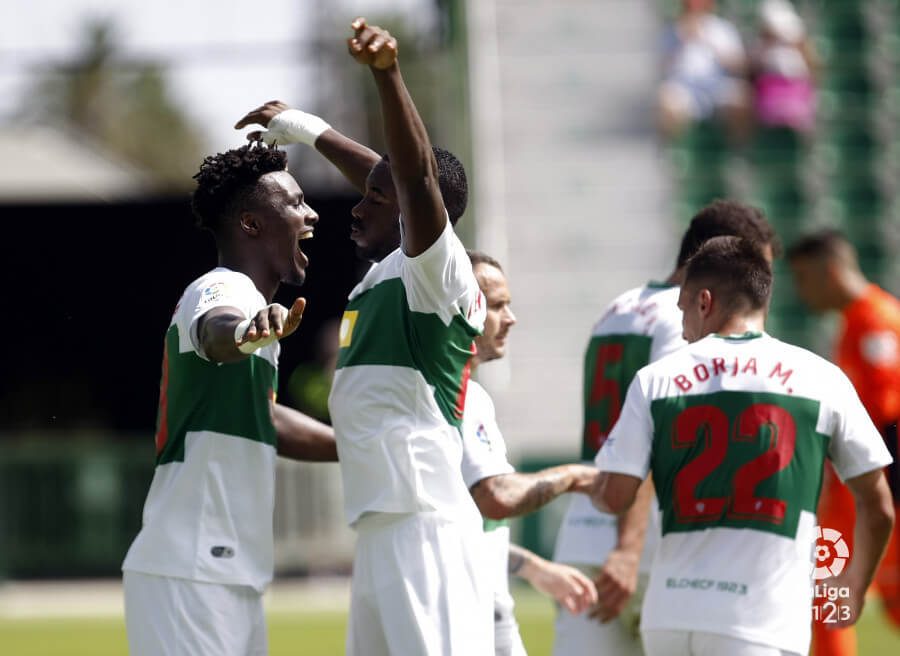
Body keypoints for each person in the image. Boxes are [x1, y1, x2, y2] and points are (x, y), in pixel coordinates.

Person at [590, 235, 895, 656]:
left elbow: (615, 497)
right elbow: (879, 508)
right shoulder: (821, 377)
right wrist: (853, 586)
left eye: (682, 312)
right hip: (762, 622)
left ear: (703, 303)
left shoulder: (655, 379)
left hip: (669, 620)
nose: (682, 329)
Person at [121, 142, 338, 656]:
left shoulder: (252, 308)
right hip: (193, 568)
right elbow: (218, 333)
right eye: (295, 203)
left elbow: (263, 418)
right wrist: (244, 333)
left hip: (222, 569)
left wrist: (364, 443)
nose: (310, 214)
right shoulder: (223, 290)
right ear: (251, 224)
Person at [551, 199, 780, 656]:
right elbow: (660, 432)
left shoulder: (618, 307)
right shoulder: (686, 321)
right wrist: (630, 548)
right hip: (646, 546)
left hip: (583, 530)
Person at [460, 250, 598, 655]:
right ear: (464, 307)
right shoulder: (461, 396)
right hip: (465, 612)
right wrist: (576, 476)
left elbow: (469, 527)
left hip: (490, 607)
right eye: (498, 305)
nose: (511, 318)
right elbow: (497, 497)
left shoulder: (470, 394)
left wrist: (533, 568)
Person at [787, 229, 900, 656]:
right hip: (858, 487)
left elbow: (888, 417)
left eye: (803, 277)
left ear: (830, 271)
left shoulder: (875, 321)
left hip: (871, 488)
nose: (800, 290)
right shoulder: (857, 319)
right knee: (835, 593)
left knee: (831, 592)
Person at [658, 0, 753, 141]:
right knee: (666, 102)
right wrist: (681, 41)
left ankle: (737, 151)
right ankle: (677, 152)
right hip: (684, 86)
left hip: (718, 83)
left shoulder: (723, 29)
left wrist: (707, 41)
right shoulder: (673, 31)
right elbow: (663, 68)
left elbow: (739, 65)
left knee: (743, 99)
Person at [750, 0, 818, 134]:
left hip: (796, 92)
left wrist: (794, 44)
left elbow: (813, 69)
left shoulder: (801, 47)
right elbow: (752, 70)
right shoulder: (759, 47)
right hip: (768, 93)